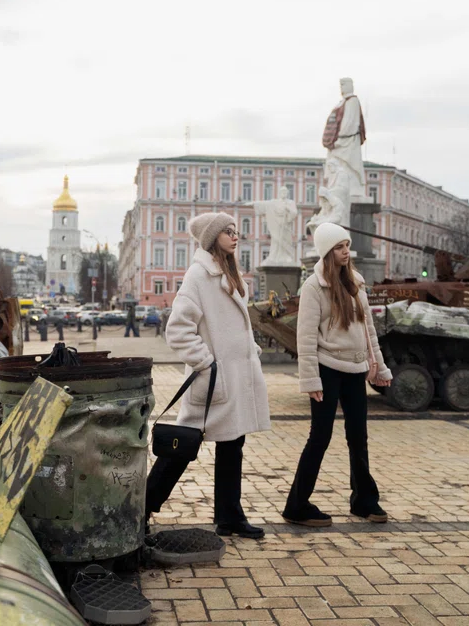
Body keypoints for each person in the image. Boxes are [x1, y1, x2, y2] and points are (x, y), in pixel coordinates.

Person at [146, 212, 271, 539]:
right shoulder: (199, 275)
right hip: (213, 379)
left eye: (235, 231)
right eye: (228, 232)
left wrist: (250, 352)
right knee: (180, 448)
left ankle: (229, 517)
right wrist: (207, 362)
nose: (235, 236)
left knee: (233, 445)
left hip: (235, 377)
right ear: (212, 238)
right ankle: (142, 508)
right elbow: (177, 331)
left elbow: (237, 327)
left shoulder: (231, 275)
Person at [282, 223, 393, 528]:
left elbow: (368, 331)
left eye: (347, 245)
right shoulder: (314, 287)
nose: (347, 251)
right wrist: (310, 380)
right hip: (327, 369)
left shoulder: (355, 281)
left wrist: (379, 367)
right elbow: (304, 337)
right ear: (328, 252)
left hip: (356, 370)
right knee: (320, 437)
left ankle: (364, 501)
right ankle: (297, 505)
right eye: (340, 247)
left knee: (359, 437)